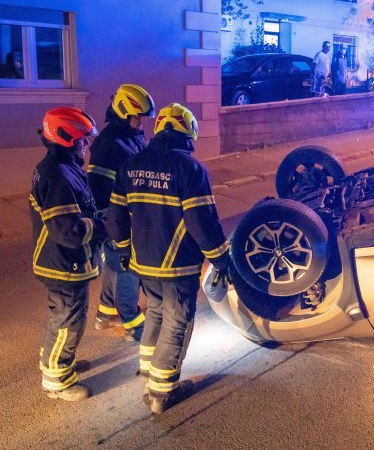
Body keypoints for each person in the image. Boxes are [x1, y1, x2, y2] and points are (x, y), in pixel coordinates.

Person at [107, 103, 231, 413]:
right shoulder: (189, 169)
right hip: (177, 265)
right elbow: (202, 222)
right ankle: (162, 392)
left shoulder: (131, 165)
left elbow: (115, 216)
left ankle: (149, 370)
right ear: (187, 133)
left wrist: (123, 250)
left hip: (143, 264)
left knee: (157, 313)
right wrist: (220, 258)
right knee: (177, 322)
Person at [30, 107, 105, 401]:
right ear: (65, 138)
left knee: (62, 318)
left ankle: (59, 362)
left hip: (60, 262)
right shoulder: (59, 175)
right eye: (81, 140)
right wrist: (101, 226)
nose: (85, 145)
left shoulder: (59, 166)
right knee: (67, 320)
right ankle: (57, 380)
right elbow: (67, 231)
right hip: (63, 264)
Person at [88, 84, 155, 341]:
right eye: (140, 117)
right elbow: (99, 187)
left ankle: (105, 314)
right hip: (118, 216)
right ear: (125, 112)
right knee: (128, 267)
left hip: (128, 214)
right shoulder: (109, 145)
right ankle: (133, 323)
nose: (143, 123)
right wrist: (111, 221)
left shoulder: (130, 135)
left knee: (116, 265)